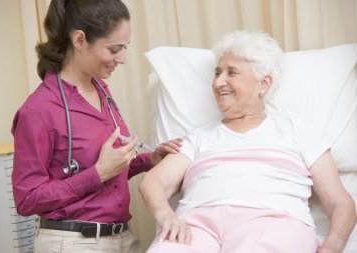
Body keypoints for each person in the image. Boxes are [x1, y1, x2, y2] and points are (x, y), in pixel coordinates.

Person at [139, 30, 357, 253]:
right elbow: (153, 181)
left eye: (231, 72)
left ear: (264, 83)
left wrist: (332, 246)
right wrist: (166, 216)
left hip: (272, 222)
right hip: (197, 226)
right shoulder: (198, 137)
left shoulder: (296, 130)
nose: (218, 82)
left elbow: (341, 203)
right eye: (217, 72)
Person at [11, 0, 181, 252]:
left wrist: (148, 160)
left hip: (122, 238)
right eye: (114, 50)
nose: (122, 59)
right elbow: (27, 200)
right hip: (71, 242)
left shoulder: (101, 91)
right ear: (80, 40)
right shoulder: (40, 109)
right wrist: (98, 173)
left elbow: (108, 172)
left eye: (125, 48)